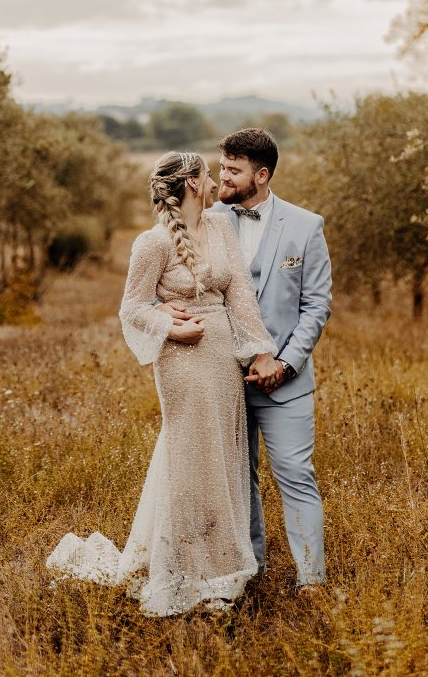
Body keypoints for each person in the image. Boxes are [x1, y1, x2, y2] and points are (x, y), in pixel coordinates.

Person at [46, 151, 279, 617]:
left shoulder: (221, 228)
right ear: (192, 183)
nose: (215, 182)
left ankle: (220, 569)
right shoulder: (152, 243)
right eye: (208, 175)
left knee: (223, 456)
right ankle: (182, 573)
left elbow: (240, 294)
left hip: (222, 361)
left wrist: (261, 349)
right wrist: (170, 326)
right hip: (181, 362)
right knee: (190, 456)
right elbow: (131, 307)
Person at [160, 129, 332, 588]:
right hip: (219, 375)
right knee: (237, 482)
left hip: (284, 381)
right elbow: (164, 281)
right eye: (221, 168)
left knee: (296, 475)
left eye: (234, 170)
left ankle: (312, 581)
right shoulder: (205, 221)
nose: (223, 177)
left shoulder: (305, 226)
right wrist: (163, 311)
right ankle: (248, 574)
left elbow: (317, 306)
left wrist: (284, 364)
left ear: (262, 175)